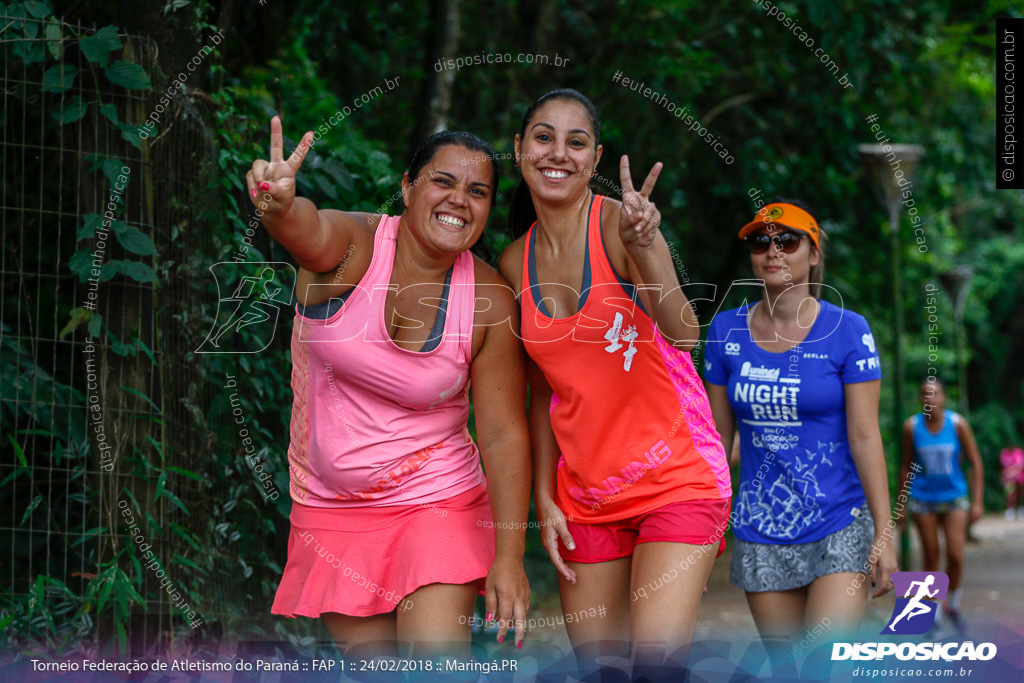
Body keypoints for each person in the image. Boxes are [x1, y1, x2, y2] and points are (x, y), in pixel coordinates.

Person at [248, 117, 531, 659]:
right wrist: (280, 207)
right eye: (442, 181)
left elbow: (502, 434)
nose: (459, 200)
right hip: (333, 507)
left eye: (478, 191)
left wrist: (510, 556)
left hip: (438, 499)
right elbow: (308, 229)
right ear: (407, 186)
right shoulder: (355, 246)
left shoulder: (490, 299)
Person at [497, 89, 732, 672]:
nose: (559, 153)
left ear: (595, 160)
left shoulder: (617, 230)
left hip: (678, 477)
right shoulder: (509, 264)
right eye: (544, 137)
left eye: (576, 143)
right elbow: (543, 394)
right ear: (520, 149)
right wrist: (544, 499)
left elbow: (683, 332)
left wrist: (647, 246)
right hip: (587, 495)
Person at [703, 199, 897, 658]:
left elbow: (865, 437)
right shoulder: (725, 331)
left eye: (787, 240)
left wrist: (883, 535)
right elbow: (713, 446)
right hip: (760, 527)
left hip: (839, 523)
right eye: (760, 241)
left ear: (813, 253)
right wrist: (695, 539)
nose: (773, 251)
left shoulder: (848, 330)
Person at [897, 378, 984, 630]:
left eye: (935, 394)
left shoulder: (957, 424)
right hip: (923, 499)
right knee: (930, 555)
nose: (930, 399)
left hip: (955, 498)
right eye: (925, 394)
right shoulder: (912, 427)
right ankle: (930, 610)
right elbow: (905, 467)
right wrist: (900, 504)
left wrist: (977, 501)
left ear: (944, 397)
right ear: (920, 399)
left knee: (955, 555)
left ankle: (953, 602)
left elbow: (974, 462)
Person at [999, 444, 1024, 519]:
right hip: (1009, 478)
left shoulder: (1019, 452)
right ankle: (1010, 510)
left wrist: (1012, 472)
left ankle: (1020, 508)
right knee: (1010, 494)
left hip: (1019, 477)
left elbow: (1020, 465)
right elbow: (1003, 465)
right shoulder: (1004, 453)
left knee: (1020, 494)